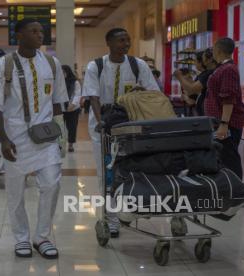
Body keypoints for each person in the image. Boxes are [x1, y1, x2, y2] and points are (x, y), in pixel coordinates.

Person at [0, 19, 68, 259]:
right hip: (15, 138)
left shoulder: (52, 64)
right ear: (18, 35)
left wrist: (61, 135)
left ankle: (42, 237)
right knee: (15, 192)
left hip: (46, 137)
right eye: (33, 31)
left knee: (52, 183)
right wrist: (3, 139)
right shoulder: (3, 65)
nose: (40, 35)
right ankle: (21, 238)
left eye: (42, 31)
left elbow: (58, 103)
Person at [82, 27, 160, 238]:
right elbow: (93, 97)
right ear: (109, 43)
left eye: (128, 39)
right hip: (104, 123)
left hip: (130, 121)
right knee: (106, 173)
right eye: (120, 40)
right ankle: (111, 219)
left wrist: (140, 92)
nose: (125, 44)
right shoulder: (96, 66)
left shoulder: (138, 65)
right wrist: (102, 123)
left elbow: (153, 91)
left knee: (131, 168)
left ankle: (130, 208)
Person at [205, 37, 244, 179]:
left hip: (228, 123)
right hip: (219, 121)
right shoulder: (222, 68)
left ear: (219, 50)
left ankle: (236, 190)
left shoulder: (228, 69)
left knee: (229, 157)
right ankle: (228, 187)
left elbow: (228, 99)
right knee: (223, 156)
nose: (213, 52)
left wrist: (224, 124)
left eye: (214, 49)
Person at [174, 48, 217, 116]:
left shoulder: (209, 73)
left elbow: (192, 90)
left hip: (208, 113)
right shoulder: (206, 74)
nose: (194, 63)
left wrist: (180, 77)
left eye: (195, 61)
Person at [61, 65, 82, 153]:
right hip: (61, 109)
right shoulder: (58, 82)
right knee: (60, 128)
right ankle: (61, 145)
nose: (62, 74)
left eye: (63, 72)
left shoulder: (75, 82)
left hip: (73, 109)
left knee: (72, 127)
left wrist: (72, 105)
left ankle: (70, 145)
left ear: (67, 72)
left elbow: (77, 94)